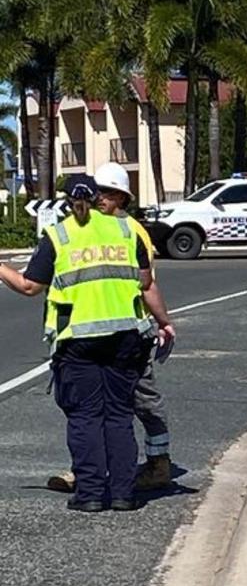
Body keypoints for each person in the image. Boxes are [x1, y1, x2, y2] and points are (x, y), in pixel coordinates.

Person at [0, 174, 176, 512]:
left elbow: (28, 286)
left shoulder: (59, 235)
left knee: (85, 417)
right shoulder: (125, 232)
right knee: (119, 415)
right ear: (98, 198)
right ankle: (124, 494)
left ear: (66, 201)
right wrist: (165, 323)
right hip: (126, 339)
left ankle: (92, 494)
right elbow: (145, 283)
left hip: (78, 341)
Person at [46, 162, 173, 494]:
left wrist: (162, 323)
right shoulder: (87, 226)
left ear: (120, 197)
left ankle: (157, 463)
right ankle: (97, 473)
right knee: (95, 409)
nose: (97, 197)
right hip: (102, 330)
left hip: (132, 328)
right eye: (95, 191)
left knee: (139, 402)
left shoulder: (130, 230)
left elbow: (146, 284)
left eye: (104, 192)